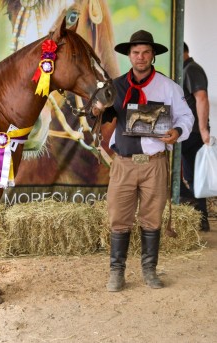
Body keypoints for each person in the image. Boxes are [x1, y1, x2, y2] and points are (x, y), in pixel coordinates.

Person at [102, 30, 194, 292]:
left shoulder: (168, 87)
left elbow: (186, 117)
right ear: (129, 56)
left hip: (154, 163)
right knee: (119, 217)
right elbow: (100, 116)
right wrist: (97, 107)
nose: (140, 57)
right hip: (123, 163)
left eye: (145, 52)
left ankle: (149, 270)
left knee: (152, 217)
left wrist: (176, 132)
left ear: (153, 55)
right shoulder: (116, 86)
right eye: (135, 52)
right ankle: (116, 272)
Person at [181, 42, 211, 232]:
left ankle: (194, 209)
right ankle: (199, 218)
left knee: (174, 172)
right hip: (188, 132)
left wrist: (202, 129)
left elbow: (202, 98)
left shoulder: (191, 69)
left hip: (192, 133)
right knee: (192, 177)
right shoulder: (186, 69)